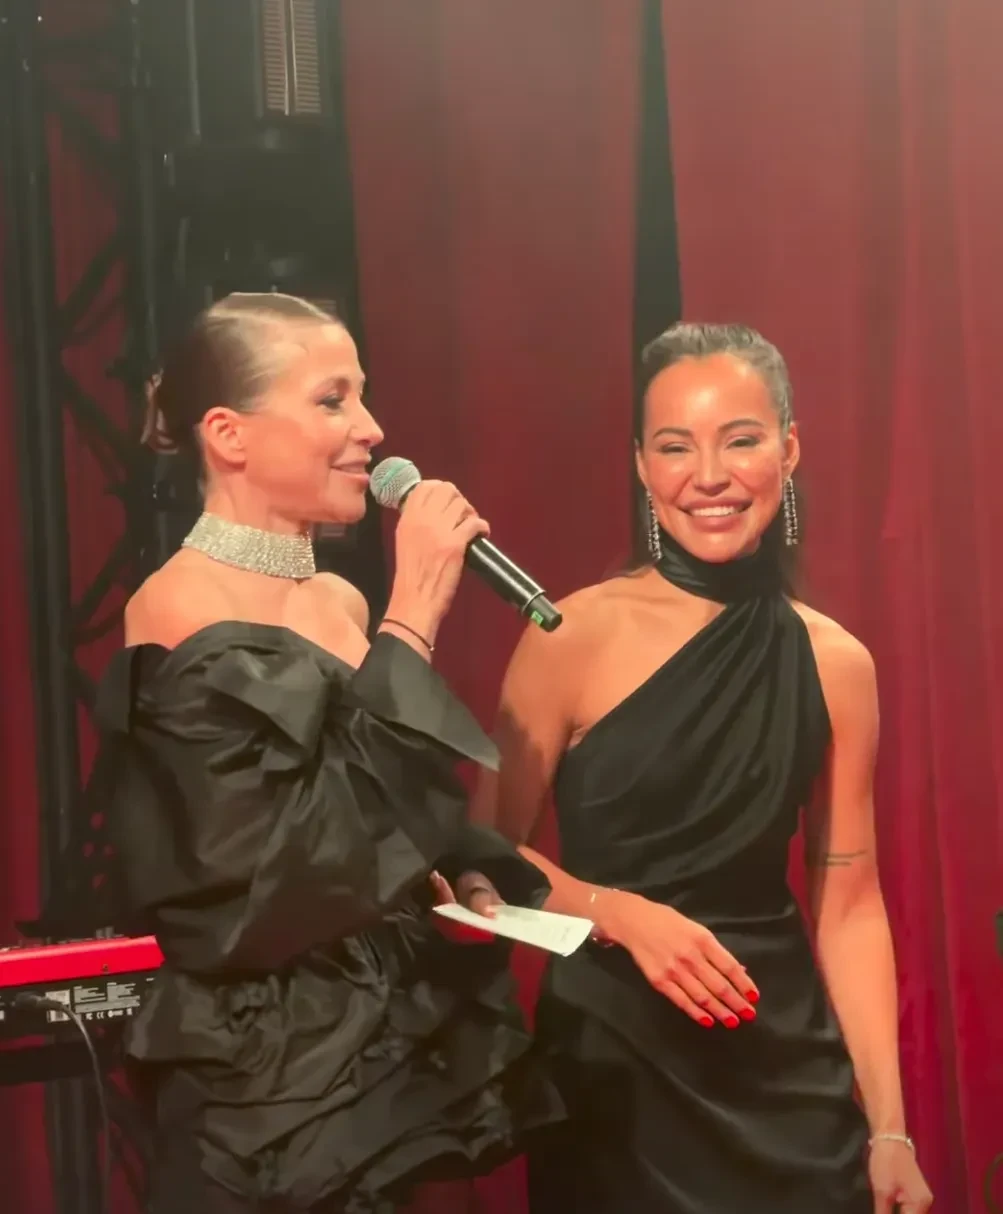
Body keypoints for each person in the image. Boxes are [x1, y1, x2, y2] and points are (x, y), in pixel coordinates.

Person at [88, 292, 562, 1212]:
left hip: (376, 1069)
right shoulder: (177, 608)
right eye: (332, 400)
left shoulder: (341, 604)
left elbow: (382, 806)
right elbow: (284, 871)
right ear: (228, 435)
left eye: (363, 396)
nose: (371, 429)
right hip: (263, 1097)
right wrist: (415, 609)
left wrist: (459, 876)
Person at [474, 323, 934, 1214]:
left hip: (783, 1075)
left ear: (787, 451)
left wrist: (888, 1131)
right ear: (642, 467)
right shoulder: (570, 635)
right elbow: (477, 862)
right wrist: (619, 916)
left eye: (740, 440)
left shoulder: (835, 663)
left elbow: (849, 902)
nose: (709, 476)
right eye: (675, 446)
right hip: (616, 1082)